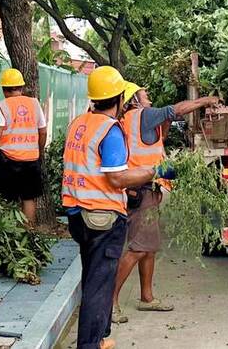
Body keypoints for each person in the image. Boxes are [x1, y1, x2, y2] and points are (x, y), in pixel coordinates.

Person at [62, 67, 174, 349]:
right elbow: (117, 177)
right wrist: (155, 171)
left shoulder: (79, 123)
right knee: (100, 284)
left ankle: (99, 337)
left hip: (77, 213)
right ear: (119, 98)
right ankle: (90, 344)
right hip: (101, 216)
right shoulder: (109, 131)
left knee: (92, 277)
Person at [111, 82, 218, 323]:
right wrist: (206, 101)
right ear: (134, 100)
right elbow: (177, 110)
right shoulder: (143, 114)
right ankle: (109, 302)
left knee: (149, 247)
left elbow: (156, 141)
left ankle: (147, 298)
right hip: (140, 189)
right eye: (144, 94)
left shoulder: (130, 120)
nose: (148, 96)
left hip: (142, 187)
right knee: (138, 247)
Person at [0, 68, 46, 224]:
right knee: (28, 198)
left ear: (4, 89)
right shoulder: (34, 103)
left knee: (7, 198)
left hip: (8, 161)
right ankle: (29, 234)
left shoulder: (2, 106)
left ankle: (10, 234)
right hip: (31, 159)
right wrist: (39, 150)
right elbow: (43, 132)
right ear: (21, 87)